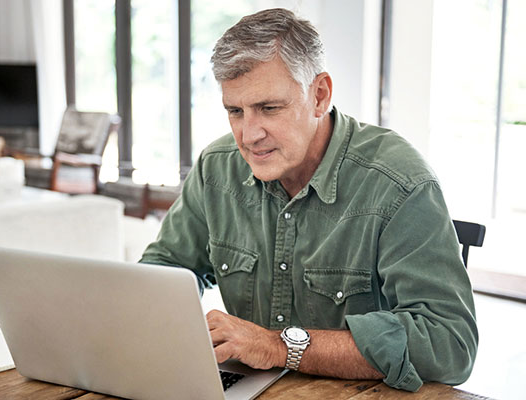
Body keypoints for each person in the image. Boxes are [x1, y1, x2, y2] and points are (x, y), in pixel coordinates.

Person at [140, 8, 477, 392]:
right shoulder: (216, 168)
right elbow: (162, 272)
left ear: (320, 95)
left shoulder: (398, 183)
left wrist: (280, 347)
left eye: (269, 108)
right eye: (235, 111)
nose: (249, 135)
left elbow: (450, 343)